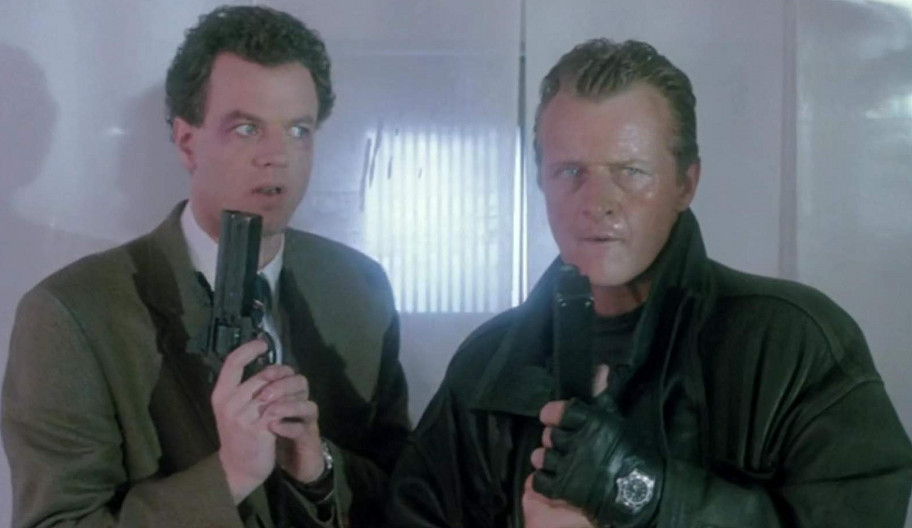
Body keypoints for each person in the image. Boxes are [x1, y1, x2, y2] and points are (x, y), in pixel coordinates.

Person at [387, 39, 912, 527]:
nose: (598, 202)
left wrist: (641, 493)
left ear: (686, 183)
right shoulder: (487, 365)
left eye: (630, 171)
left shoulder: (791, 346)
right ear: (540, 180)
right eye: (570, 171)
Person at [2, 6, 409, 528]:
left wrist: (320, 471)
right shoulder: (73, 315)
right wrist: (228, 475)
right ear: (187, 142)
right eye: (246, 128)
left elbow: (406, 492)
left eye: (298, 130)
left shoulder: (360, 289)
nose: (276, 155)